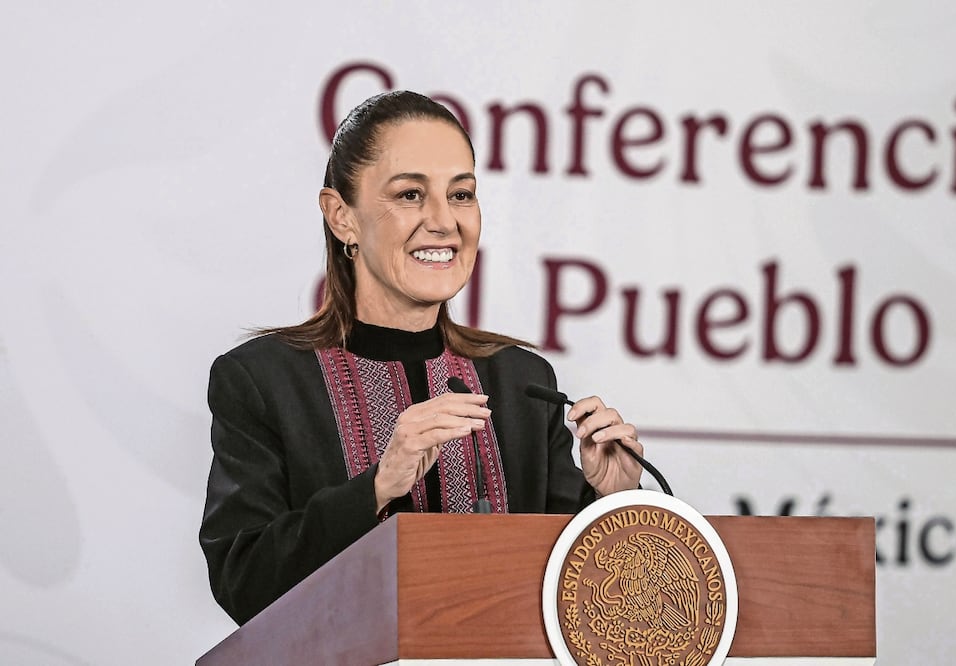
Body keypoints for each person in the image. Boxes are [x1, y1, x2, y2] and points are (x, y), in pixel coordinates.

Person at [199, 90, 645, 625]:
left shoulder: (522, 383)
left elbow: (575, 601)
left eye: (461, 195)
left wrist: (610, 501)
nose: (443, 221)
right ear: (341, 216)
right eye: (410, 195)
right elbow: (243, 582)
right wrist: (378, 487)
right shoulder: (263, 380)